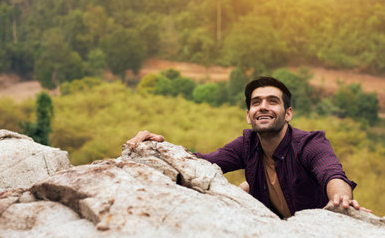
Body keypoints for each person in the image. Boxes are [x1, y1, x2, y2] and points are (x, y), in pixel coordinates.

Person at [127, 76, 370, 219]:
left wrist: (341, 200)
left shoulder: (309, 143)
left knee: (245, 187)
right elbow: (200, 163)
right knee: (242, 189)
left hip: (312, 232)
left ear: (288, 113)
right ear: (248, 115)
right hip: (273, 232)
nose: (263, 107)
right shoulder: (247, 144)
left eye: (272, 102)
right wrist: (157, 145)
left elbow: (332, 173)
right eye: (256, 103)